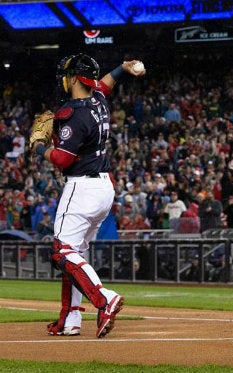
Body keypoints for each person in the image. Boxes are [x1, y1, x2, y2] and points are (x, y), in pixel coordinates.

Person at [32, 54, 145, 338]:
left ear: (73, 78)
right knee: (75, 253)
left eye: (66, 75)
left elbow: (62, 158)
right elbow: (104, 84)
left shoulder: (73, 113)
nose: (63, 79)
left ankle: (104, 298)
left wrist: (37, 148)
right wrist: (122, 68)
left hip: (81, 187)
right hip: (104, 188)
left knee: (62, 251)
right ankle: (70, 319)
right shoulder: (97, 100)